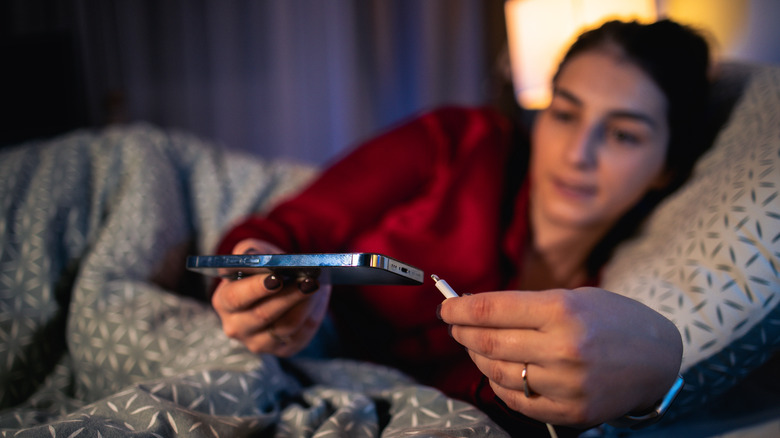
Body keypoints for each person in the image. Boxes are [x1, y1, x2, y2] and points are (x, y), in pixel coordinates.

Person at [210, 19, 711, 436]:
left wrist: (649, 388)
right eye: (564, 114)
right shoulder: (463, 142)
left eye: (623, 135)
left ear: (666, 168)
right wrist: (255, 273)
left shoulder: (606, 304)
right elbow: (288, 229)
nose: (578, 153)